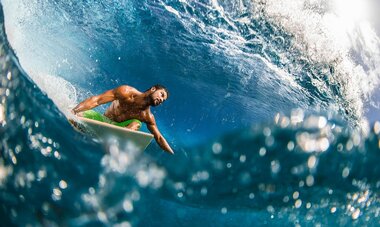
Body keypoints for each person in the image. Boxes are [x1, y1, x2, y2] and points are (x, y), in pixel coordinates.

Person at [72, 84, 174, 154]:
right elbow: (97, 100)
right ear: (153, 89)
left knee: (137, 123)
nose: (161, 100)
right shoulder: (126, 92)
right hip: (103, 120)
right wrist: (74, 111)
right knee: (79, 116)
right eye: (161, 94)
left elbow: (159, 138)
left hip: (118, 128)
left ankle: (119, 137)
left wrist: (171, 153)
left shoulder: (147, 116)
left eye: (163, 100)